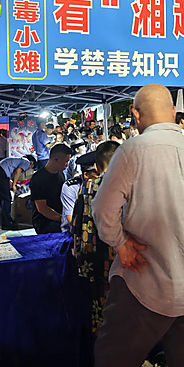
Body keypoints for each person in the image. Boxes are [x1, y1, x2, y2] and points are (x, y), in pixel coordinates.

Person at [91, 84, 184, 367]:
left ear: (135, 115)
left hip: (142, 281)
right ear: (175, 113)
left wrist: (121, 243)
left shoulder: (132, 150)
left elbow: (103, 210)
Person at [71, 141, 121, 336]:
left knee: (98, 298)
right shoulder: (127, 186)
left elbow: (76, 222)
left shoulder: (88, 186)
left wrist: (78, 250)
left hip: (93, 254)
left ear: (97, 167)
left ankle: (100, 336)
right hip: (121, 255)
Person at [29, 144, 71, 234]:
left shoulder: (60, 174)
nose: (67, 165)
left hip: (59, 218)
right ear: (56, 159)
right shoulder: (38, 178)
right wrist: (63, 219)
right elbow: (42, 208)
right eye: (65, 162)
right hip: (44, 223)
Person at [0, 156, 32, 230]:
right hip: (0, 173)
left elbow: (9, 173)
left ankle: (7, 220)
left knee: (3, 198)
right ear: (32, 163)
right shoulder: (27, 162)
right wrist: (14, 184)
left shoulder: (17, 160)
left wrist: (13, 183)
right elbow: (18, 171)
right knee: (6, 199)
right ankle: (7, 224)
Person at [60, 151, 98, 233]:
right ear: (86, 175)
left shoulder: (103, 184)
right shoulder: (71, 187)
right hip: (74, 232)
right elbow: (71, 221)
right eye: (97, 174)